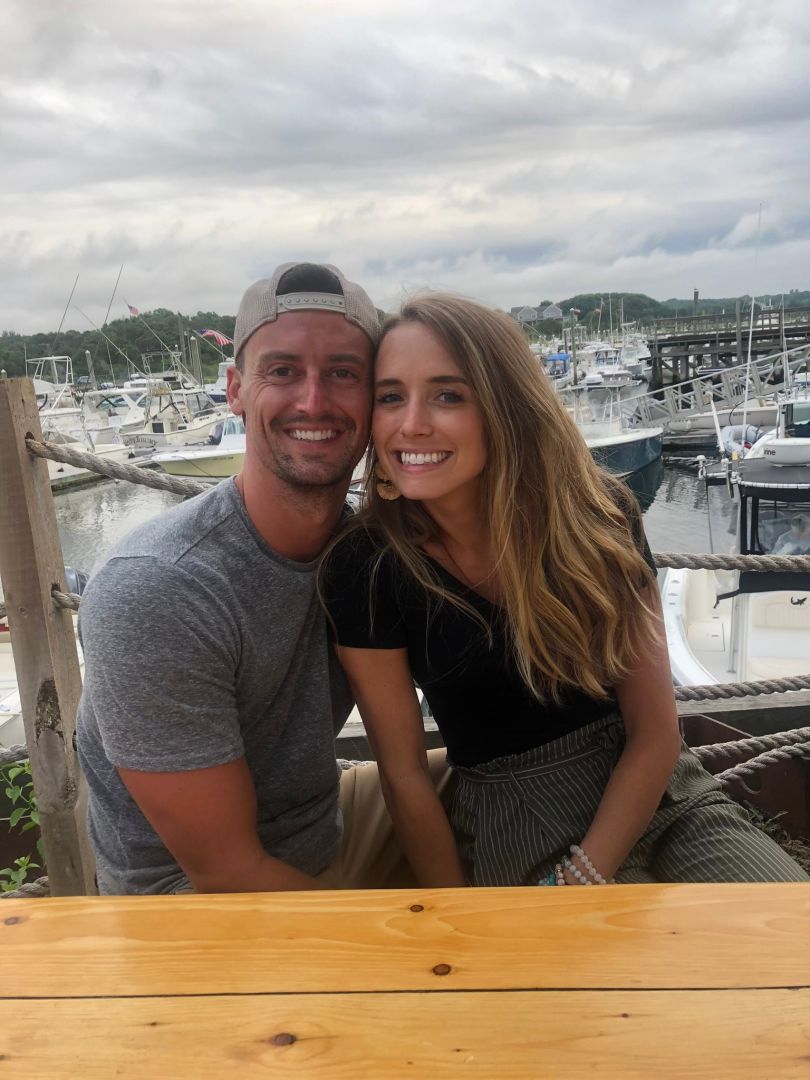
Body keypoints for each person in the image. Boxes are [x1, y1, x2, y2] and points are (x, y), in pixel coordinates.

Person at [322, 293, 809, 887]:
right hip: (515, 815)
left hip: (663, 792)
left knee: (787, 926)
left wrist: (587, 872)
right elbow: (403, 778)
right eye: (391, 396)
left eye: (448, 395)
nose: (412, 423)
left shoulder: (598, 517)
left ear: (505, 407)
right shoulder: (368, 566)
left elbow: (655, 733)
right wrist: (457, 918)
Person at [77, 261, 445, 895]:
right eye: (282, 371)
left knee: (507, 782)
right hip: (196, 905)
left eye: (344, 373)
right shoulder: (160, 589)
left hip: (324, 824)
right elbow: (227, 871)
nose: (314, 401)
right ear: (235, 390)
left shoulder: (363, 552)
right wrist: (424, 936)